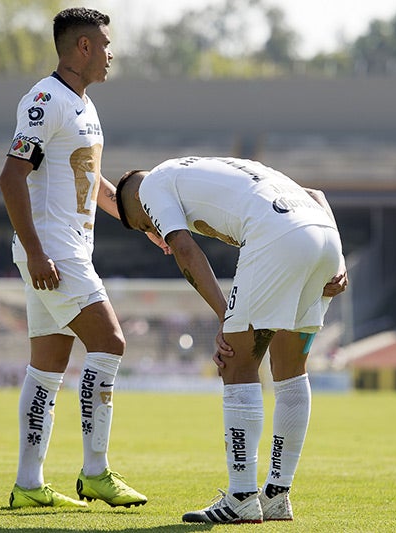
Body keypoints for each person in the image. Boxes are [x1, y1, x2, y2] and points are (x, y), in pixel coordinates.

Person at [115, 156, 348, 523]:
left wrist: (227, 316)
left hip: (279, 237)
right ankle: (276, 495)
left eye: (144, 225)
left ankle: (241, 496)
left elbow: (185, 250)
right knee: (290, 370)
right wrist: (341, 263)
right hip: (324, 238)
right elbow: (315, 193)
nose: (152, 231)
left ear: (137, 208)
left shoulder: (152, 187)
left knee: (235, 362)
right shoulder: (202, 167)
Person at [0, 7, 157, 510]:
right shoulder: (45, 99)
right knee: (109, 341)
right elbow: (10, 177)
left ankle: (28, 484)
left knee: (47, 368)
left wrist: (142, 223)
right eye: (106, 44)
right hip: (55, 251)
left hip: (64, 249)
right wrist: (38, 251)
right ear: (83, 47)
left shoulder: (83, 105)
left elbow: (93, 182)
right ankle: (95, 472)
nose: (112, 54)